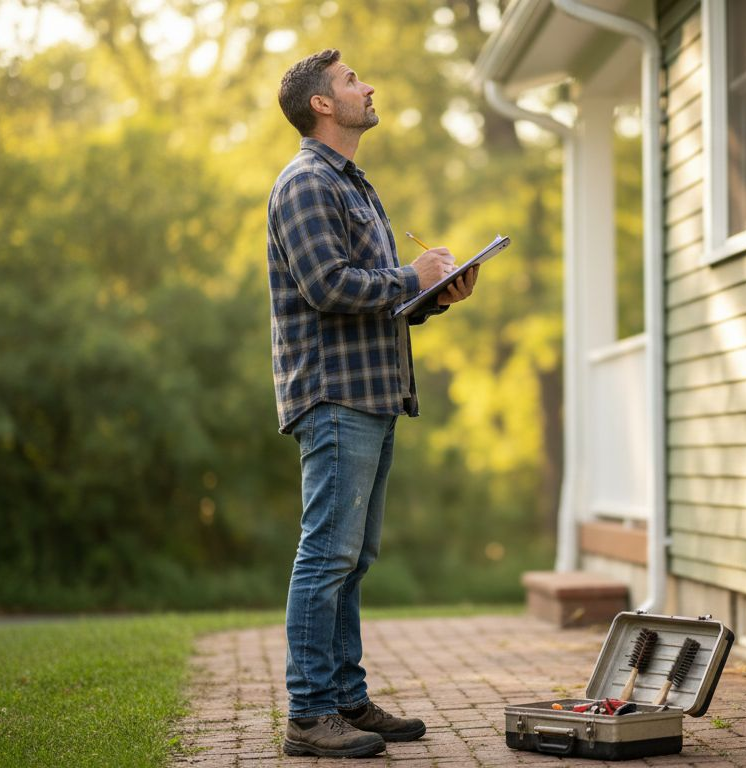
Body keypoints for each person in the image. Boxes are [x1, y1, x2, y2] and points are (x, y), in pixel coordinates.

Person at [266, 48, 478, 759]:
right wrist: (406, 274)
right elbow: (328, 285)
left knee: (352, 559)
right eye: (353, 81)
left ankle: (345, 700)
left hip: (374, 394)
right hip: (333, 396)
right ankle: (307, 714)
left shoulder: (353, 185)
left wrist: (429, 298)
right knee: (327, 554)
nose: (367, 86)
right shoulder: (304, 183)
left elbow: (375, 298)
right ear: (322, 104)